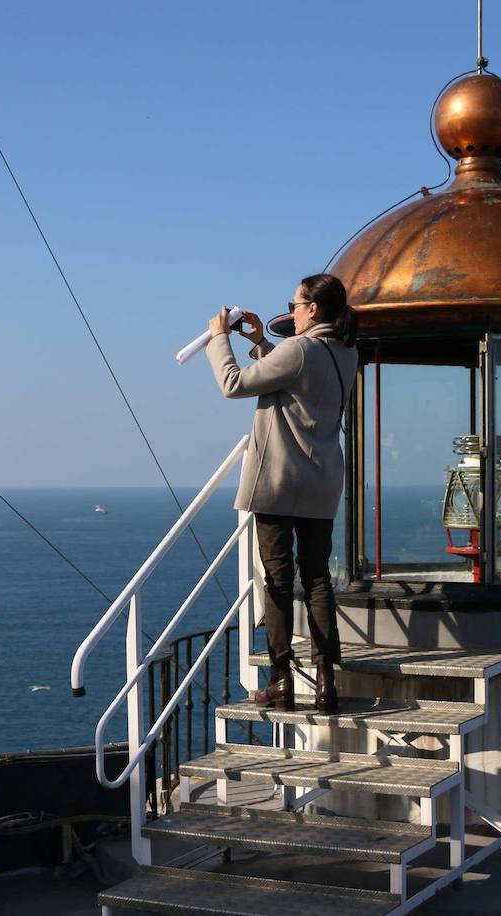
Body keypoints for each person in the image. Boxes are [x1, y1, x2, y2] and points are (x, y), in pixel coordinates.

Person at [205, 273, 358, 713]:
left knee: (276, 581)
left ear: (312, 309)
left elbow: (234, 384)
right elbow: (294, 377)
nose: (290, 311)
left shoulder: (299, 349)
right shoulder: (346, 353)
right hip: (322, 482)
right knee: (317, 580)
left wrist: (220, 340)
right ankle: (327, 681)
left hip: (278, 483)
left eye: (294, 304)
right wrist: (259, 342)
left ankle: (280, 681)